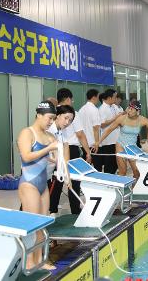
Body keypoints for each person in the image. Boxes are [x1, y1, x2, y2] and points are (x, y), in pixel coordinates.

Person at [17, 101, 60, 270]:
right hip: (29, 184)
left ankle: (39, 261)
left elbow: (55, 156)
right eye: (49, 118)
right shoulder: (27, 133)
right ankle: (28, 262)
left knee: (42, 226)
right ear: (39, 115)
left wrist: (54, 156)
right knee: (32, 226)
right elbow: (27, 156)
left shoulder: (50, 136)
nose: (51, 122)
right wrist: (48, 149)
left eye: (53, 119)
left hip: (43, 184)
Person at [95, 101, 148, 179]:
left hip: (132, 147)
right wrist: (98, 142)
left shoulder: (143, 120)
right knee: (123, 172)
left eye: (132, 109)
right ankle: (122, 189)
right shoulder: (122, 119)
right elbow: (109, 130)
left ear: (138, 111)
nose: (129, 110)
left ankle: (134, 189)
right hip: (121, 146)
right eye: (129, 108)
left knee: (137, 172)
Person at [47, 88, 91, 216]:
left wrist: (64, 168)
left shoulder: (60, 131)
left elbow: (64, 144)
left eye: (69, 120)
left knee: (60, 182)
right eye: (66, 119)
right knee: (59, 183)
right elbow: (80, 134)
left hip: (60, 156)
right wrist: (87, 151)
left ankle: (52, 210)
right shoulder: (50, 128)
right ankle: (73, 211)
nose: (67, 122)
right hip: (39, 170)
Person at [96, 89, 122, 174]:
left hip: (116, 139)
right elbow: (102, 124)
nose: (116, 99)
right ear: (109, 98)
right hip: (108, 141)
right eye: (114, 97)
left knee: (116, 163)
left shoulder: (114, 107)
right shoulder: (102, 109)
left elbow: (119, 117)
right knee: (109, 164)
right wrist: (114, 119)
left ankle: (113, 178)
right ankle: (109, 181)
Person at [79, 89, 101, 156]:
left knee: (85, 164)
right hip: (92, 144)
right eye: (98, 97)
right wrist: (97, 143)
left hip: (83, 144)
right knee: (93, 165)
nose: (98, 99)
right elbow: (96, 128)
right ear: (94, 97)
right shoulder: (94, 110)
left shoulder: (81, 109)